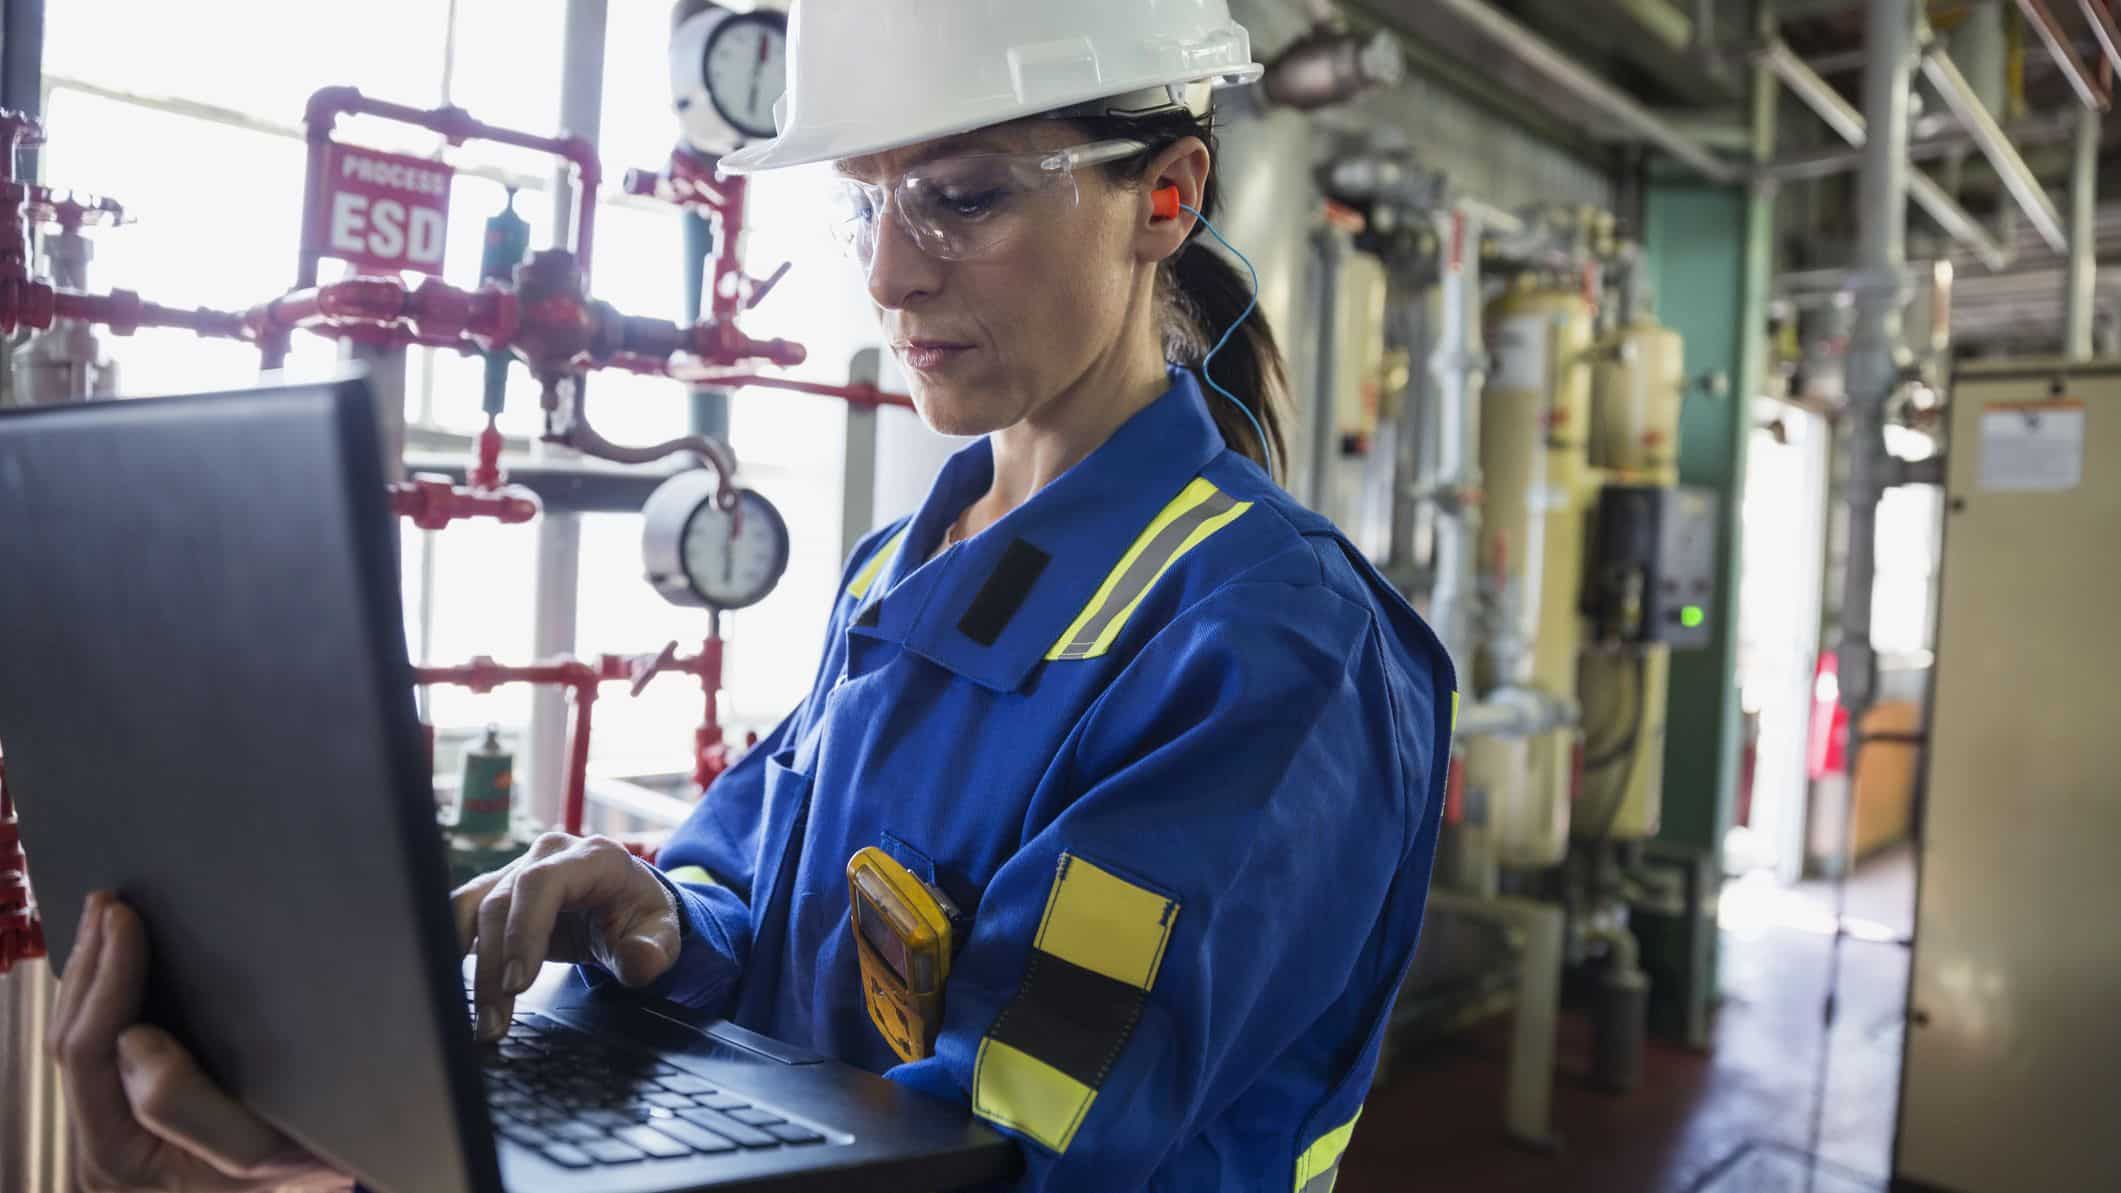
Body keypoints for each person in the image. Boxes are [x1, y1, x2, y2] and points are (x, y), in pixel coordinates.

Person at [49, 1, 1456, 1189]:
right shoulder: (908, 564)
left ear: (1166, 198)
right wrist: (656, 924)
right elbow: (763, 898)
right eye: (864, 202)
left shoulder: (1269, 647)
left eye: (962, 197)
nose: (890, 274)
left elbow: (1008, 1140)